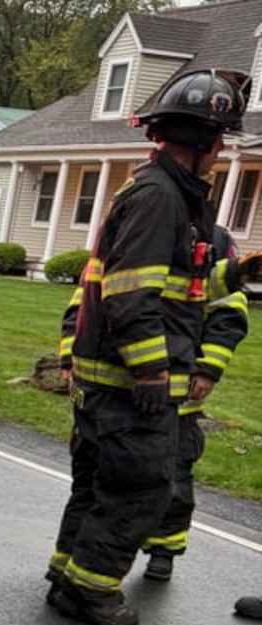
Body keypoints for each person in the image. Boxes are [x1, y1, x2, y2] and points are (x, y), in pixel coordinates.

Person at [45, 67, 260, 625]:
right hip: (130, 385)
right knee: (139, 491)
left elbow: (182, 293)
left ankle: (68, 577)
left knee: (100, 486)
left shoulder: (171, 196)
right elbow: (130, 297)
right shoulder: (161, 197)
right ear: (206, 139)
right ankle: (91, 591)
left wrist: (238, 273)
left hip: (113, 382)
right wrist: (152, 377)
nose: (220, 152)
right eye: (220, 140)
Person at [58, 225, 250, 583]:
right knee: (93, 480)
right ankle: (68, 563)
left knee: (170, 482)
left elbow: (228, 314)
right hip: (113, 394)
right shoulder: (133, 232)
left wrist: (208, 369)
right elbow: (83, 306)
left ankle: (163, 549)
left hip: (176, 400)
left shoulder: (214, 242)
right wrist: (70, 358)